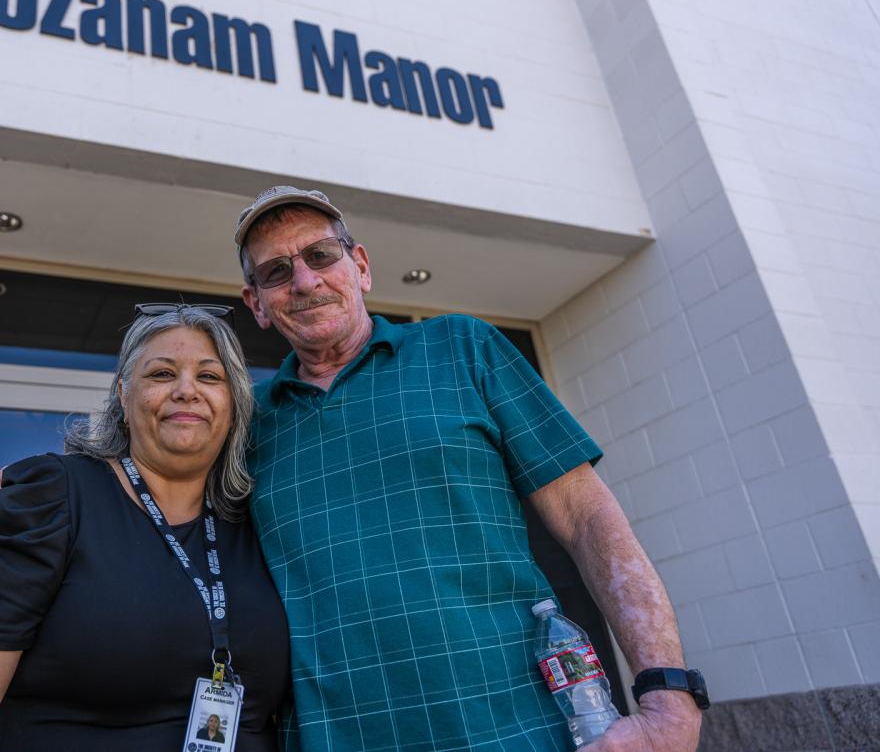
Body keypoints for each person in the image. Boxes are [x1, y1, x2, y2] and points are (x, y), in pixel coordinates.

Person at [234, 186, 706, 751]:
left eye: (320, 255)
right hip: (334, 738)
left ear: (359, 266)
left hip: (517, 730)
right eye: (277, 271)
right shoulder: (247, 423)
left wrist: (666, 693)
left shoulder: (464, 347)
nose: (305, 281)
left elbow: (587, 517)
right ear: (256, 303)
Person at [0, 304, 290, 751]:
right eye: (162, 374)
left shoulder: (258, 521)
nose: (187, 390)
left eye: (209, 377)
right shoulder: (49, 500)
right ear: (124, 396)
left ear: (234, 406)